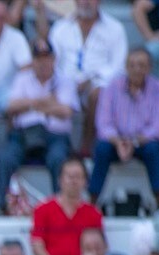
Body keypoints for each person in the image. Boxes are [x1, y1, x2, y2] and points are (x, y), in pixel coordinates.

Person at [0, 39, 77, 200]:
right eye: (38, 58)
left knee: (58, 159)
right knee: (5, 158)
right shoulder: (22, 78)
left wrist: (28, 105)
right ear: (32, 61)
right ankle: (4, 205)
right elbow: (11, 106)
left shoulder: (65, 80)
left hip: (55, 136)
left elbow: (66, 111)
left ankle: (60, 205)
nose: (43, 63)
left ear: (54, 59)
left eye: (47, 58)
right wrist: (45, 102)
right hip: (24, 135)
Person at [87, 48, 159, 206]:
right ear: (126, 67)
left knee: (153, 150)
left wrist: (134, 142)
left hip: (144, 142)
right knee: (101, 149)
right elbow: (103, 123)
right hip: (116, 142)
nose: (137, 69)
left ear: (149, 67)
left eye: (141, 65)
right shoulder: (111, 88)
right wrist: (118, 142)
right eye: (133, 65)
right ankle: (92, 202)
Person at [50, 0, 127, 156]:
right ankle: (58, 148)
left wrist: (91, 79)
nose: (85, 2)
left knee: (97, 94)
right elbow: (53, 61)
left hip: (99, 83)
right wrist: (69, 82)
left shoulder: (115, 28)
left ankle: (86, 146)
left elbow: (118, 66)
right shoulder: (60, 27)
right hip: (65, 81)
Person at [31, 156, 100, 255]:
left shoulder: (93, 213)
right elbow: (37, 247)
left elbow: (98, 247)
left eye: (78, 177)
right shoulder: (42, 209)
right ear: (60, 180)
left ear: (85, 182)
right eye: (69, 176)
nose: (73, 181)